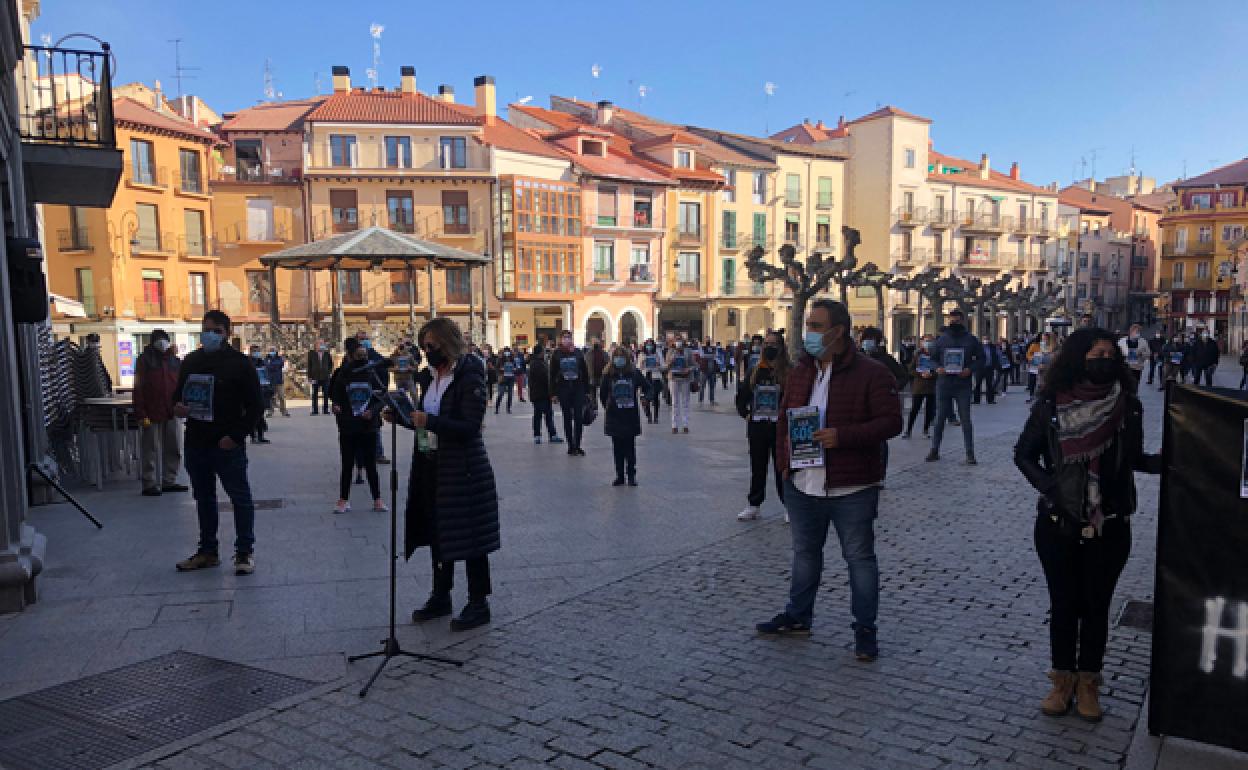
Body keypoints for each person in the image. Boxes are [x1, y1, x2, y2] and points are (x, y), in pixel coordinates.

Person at [1014, 327, 1161, 722]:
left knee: (1096, 607)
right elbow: (1023, 455)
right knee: (1064, 605)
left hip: (1110, 522)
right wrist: (1052, 488)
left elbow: (1131, 459)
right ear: (1079, 357)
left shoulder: (1128, 406)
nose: (1104, 360)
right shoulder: (1050, 404)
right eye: (1095, 353)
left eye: (1109, 354)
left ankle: (1088, 685)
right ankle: (1061, 683)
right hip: (1058, 523)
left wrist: (1168, 460)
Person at [756, 299, 902, 663]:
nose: (809, 333)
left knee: (859, 559)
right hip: (803, 484)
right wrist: (784, 467)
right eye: (808, 325)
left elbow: (891, 423)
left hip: (851, 487)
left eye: (817, 326)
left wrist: (844, 436)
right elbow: (785, 420)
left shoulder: (872, 373)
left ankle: (865, 629)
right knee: (805, 554)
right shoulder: (801, 372)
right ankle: (798, 616)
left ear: (838, 331)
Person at [401, 318, 500, 632]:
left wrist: (427, 420)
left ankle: (478, 602)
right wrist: (403, 418)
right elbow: (428, 421)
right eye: (424, 346)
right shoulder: (432, 377)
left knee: (471, 537)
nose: (428, 351)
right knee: (438, 533)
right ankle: (440, 595)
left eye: (433, 345)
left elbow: (469, 427)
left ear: (448, 342)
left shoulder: (469, 374)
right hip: (434, 466)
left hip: (465, 469)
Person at [172, 310, 263, 576]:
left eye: (216, 331)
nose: (209, 335)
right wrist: (177, 407)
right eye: (205, 329)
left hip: (227, 444)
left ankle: (244, 551)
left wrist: (236, 437)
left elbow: (256, 405)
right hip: (196, 441)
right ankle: (207, 551)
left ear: (226, 333)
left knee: (240, 498)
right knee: (203, 498)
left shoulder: (240, 364)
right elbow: (178, 396)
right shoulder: (190, 361)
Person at [735, 330, 788, 521]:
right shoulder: (754, 370)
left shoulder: (788, 372)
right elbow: (742, 397)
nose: (769, 347)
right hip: (758, 426)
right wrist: (746, 414)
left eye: (774, 343)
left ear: (781, 347)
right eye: (766, 344)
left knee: (782, 467)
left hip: (779, 427)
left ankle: (788, 506)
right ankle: (754, 504)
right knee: (758, 466)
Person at [330, 338, 386, 514]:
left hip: (368, 425)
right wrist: (336, 405)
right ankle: (343, 500)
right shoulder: (342, 373)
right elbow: (334, 394)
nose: (362, 358)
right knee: (347, 464)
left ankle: (377, 499)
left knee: (371, 464)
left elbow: (381, 396)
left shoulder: (372, 372)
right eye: (358, 355)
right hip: (348, 425)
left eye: (365, 355)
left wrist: (373, 411)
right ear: (350, 356)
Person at [133, 329, 186, 496]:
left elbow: (181, 385)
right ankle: (149, 483)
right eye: (159, 340)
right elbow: (138, 388)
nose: (162, 342)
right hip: (151, 412)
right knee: (150, 449)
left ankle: (169, 480)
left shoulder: (175, 361)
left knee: (174, 447)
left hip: (171, 411)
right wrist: (141, 413)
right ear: (152, 342)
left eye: (164, 339)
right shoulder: (144, 361)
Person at [926, 308, 983, 464]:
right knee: (939, 419)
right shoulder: (941, 340)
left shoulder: (971, 340)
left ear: (962, 320)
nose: (954, 322)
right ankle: (934, 450)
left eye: (956, 320)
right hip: (944, 383)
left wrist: (970, 369)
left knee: (965, 419)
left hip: (962, 384)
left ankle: (970, 454)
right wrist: (937, 368)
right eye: (951, 320)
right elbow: (932, 359)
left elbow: (981, 359)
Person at [599, 345, 648, 486]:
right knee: (617, 448)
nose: (619, 360)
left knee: (630, 447)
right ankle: (619, 475)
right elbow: (602, 394)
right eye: (616, 357)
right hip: (614, 416)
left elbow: (647, 386)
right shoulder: (608, 374)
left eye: (621, 357)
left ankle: (631, 475)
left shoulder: (634, 373)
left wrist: (645, 397)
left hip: (629, 416)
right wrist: (608, 407)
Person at [549, 330, 590, 456]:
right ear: (560, 340)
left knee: (578, 417)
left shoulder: (578, 353)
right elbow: (552, 374)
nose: (567, 340)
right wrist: (553, 393)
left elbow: (585, 371)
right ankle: (570, 445)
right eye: (564, 338)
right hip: (563, 388)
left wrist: (587, 391)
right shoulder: (556, 354)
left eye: (568, 337)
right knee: (567, 418)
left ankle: (578, 445)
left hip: (578, 388)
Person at [355, 330, 391, 465]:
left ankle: (374, 454)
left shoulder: (376, 358)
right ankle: (372, 454)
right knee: (371, 426)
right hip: (365, 395)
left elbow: (384, 375)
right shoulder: (358, 359)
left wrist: (382, 391)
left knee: (373, 426)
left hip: (372, 396)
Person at [903, 334, 937, 439]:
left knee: (929, 410)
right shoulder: (917, 354)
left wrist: (932, 374)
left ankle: (926, 430)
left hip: (931, 386)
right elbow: (911, 369)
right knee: (915, 409)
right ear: (922, 342)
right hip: (919, 386)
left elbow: (940, 369)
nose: (928, 343)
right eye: (926, 341)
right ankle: (908, 430)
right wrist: (920, 374)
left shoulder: (936, 355)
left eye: (930, 341)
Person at [527, 343, 562, 444]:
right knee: (544, 415)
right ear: (540, 353)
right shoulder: (537, 364)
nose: (545, 353)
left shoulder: (538, 363)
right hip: (540, 394)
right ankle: (544, 435)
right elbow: (545, 379)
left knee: (544, 414)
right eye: (543, 351)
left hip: (540, 393)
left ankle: (543, 435)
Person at [665, 337, 695, 434]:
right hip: (673, 378)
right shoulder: (670, 351)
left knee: (685, 401)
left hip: (685, 378)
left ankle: (685, 424)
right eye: (677, 340)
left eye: (680, 340)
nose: (678, 342)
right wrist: (672, 359)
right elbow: (666, 365)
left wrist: (689, 369)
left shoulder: (688, 351)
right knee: (675, 402)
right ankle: (674, 425)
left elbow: (694, 364)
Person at [248, 345, 272, 444]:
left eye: (258, 351)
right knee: (254, 415)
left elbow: (266, 375)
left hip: (263, 389)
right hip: (251, 391)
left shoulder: (262, 362)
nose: (257, 353)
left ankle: (261, 436)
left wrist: (269, 388)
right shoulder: (248, 362)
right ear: (251, 352)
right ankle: (254, 436)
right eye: (255, 351)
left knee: (261, 414)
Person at [637, 339, 664, 424]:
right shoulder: (642, 354)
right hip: (645, 377)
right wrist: (642, 363)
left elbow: (663, 366)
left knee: (655, 398)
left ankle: (656, 416)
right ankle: (648, 415)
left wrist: (658, 364)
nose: (649, 346)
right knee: (645, 398)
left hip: (655, 377)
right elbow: (638, 367)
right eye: (647, 345)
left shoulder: (657, 353)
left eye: (651, 345)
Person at [1025, 332, 1055, 402]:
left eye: (1046, 338)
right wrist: (1032, 359)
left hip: (1044, 366)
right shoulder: (1034, 345)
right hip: (1034, 366)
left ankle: (1042, 395)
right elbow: (1028, 354)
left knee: (1042, 381)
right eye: (1043, 338)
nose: (1044, 340)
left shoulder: (1050, 346)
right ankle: (1031, 395)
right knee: (1032, 380)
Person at [307, 340, 334, 415]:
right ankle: (315, 410)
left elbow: (331, 364)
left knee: (326, 394)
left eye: (323, 344)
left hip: (325, 377)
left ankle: (325, 410)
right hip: (315, 377)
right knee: (314, 394)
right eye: (320, 344)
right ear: (316, 345)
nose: (322, 345)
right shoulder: (311, 354)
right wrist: (309, 376)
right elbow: (309, 365)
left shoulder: (327, 354)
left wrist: (329, 372)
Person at [972, 336, 1001, 405]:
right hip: (980, 368)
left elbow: (996, 357)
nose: (986, 340)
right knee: (978, 384)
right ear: (982, 340)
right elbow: (974, 357)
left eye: (987, 339)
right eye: (984, 339)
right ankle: (976, 400)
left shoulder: (992, 347)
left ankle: (990, 400)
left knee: (989, 384)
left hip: (989, 368)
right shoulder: (978, 347)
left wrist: (996, 366)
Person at [263, 347, 290, 417]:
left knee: (281, 396)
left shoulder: (279, 358)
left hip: (278, 380)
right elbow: (267, 366)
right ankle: (270, 412)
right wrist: (274, 366)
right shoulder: (266, 358)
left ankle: (284, 411)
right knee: (271, 397)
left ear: (276, 351)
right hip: (270, 381)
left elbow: (280, 364)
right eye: (271, 351)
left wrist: (271, 365)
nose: (272, 352)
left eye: (273, 351)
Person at [495, 346, 516, 414]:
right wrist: (500, 370)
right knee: (501, 394)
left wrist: (514, 369)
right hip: (503, 378)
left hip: (510, 378)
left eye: (508, 351)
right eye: (506, 351)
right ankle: (497, 408)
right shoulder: (500, 359)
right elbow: (497, 368)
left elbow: (516, 367)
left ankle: (508, 408)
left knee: (510, 395)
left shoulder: (512, 359)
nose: (507, 353)